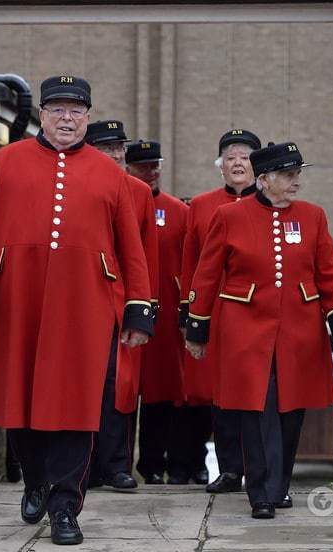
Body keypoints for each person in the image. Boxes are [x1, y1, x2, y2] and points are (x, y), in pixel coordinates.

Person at [0, 75, 153, 545]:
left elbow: (132, 250)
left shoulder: (112, 177)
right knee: (21, 402)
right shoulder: (3, 162)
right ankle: (35, 480)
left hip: (88, 305)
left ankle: (65, 506)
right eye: (58, 109)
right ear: (42, 114)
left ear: (87, 116)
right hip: (21, 299)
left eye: (76, 110)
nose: (67, 118)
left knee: (77, 408)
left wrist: (139, 311)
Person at [184, 141, 333, 519]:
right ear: (264, 180)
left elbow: (329, 273)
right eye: (289, 175)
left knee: (291, 411)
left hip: (300, 331)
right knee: (255, 410)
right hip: (245, 330)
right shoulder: (230, 216)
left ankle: (278, 487)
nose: (297, 182)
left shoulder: (312, 216)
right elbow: (207, 273)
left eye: (298, 174)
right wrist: (197, 327)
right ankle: (260, 493)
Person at [179, 129, 262, 494]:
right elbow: (191, 263)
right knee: (223, 396)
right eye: (230, 158)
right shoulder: (200, 205)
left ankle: (264, 471)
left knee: (262, 396)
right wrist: (190, 314)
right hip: (217, 315)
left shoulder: (272, 205)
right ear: (221, 167)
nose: (238, 163)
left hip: (260, 315)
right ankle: (230, 470)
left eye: (245, 157)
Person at [84, 120, 159, 490]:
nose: (115, 155)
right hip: (83, 300)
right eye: (106, 148)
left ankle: (116, 465)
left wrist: (145, 306)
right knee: (83, 383)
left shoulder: (139, 192)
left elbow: (146, 255)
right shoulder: (78, 184)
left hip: (122, 301)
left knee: (119, 387)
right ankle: (84, 465)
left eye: (119, 148)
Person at [126, 141, 198, 485]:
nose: (151, 171)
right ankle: (115, 462)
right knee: (122, 392)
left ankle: (154, 463)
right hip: (126, 310)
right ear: (129, 169)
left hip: (166, 316)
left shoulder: (178, 211)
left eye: (155, 165)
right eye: (143, 166)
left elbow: (190, 262)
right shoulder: (119, 202)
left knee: (162, 393)